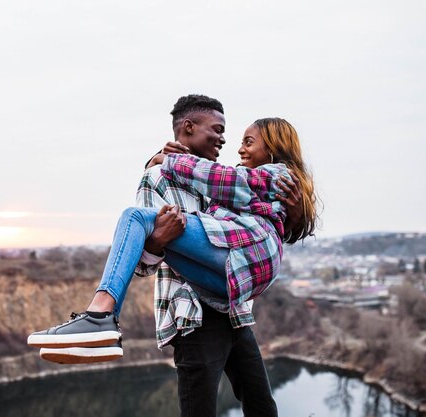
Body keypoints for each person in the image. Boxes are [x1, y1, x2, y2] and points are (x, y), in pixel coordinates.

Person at [27, 95, 317, 417]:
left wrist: (294, 214)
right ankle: (99, 318)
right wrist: (156, 244)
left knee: (262, 406)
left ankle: (99, 316)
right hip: (192, 314)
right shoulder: (156, 178)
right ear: (189, 128)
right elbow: (138, 264)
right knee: (200, 410)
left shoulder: (224, 175)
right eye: (217, 130)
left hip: (234, 309)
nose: (226, 140)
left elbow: (260, 226)